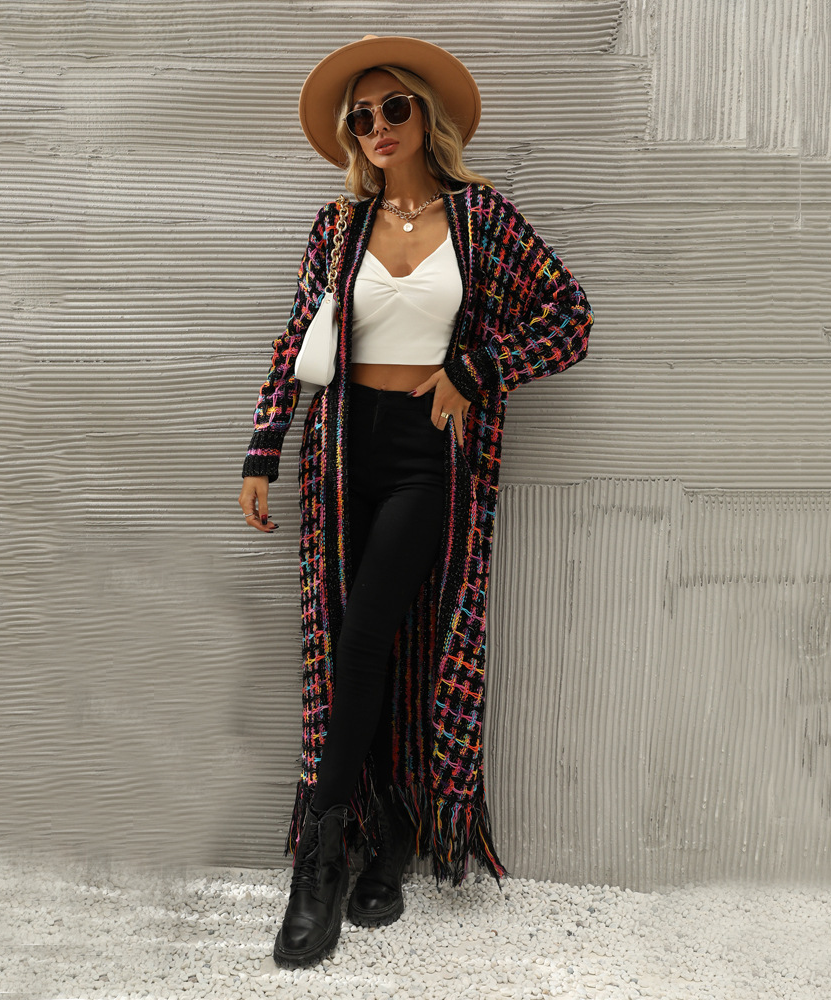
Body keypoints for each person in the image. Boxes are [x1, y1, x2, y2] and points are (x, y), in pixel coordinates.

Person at [238, 35, 594, 969]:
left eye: (393, 107)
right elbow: (297, 342)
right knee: (350, 646)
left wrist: (476, 369)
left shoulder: (482, 219)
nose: (378, 127)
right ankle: (387, 829)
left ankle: (319, 856)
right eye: (361, 117)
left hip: (429, 458)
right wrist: (264, 449)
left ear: (425, 117)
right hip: (341, 454)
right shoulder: (337, 227)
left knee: (369, 640)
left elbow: (570, 319)